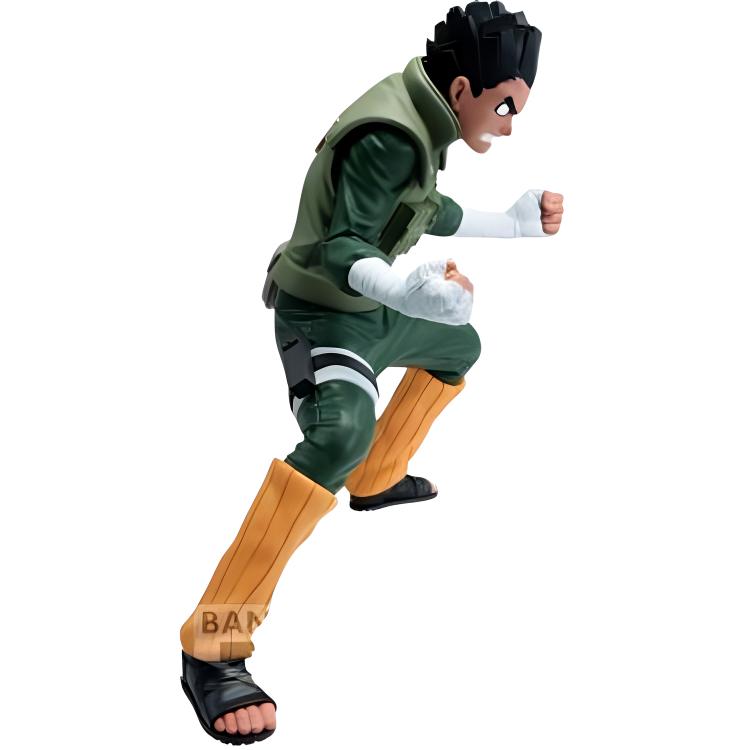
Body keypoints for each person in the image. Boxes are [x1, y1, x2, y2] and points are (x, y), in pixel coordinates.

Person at [180, 2, 564, 743]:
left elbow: (422, 211)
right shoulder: (392, 135)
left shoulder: (423, 122)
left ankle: (378, 477)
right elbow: (343, 249)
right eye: (506, 106)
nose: (510, 125)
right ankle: (214, 644)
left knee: (458, 347)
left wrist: (510, 224)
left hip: (372, 310)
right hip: (323, 317)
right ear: (463, 90)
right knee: (336, 436)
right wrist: (404, 292)